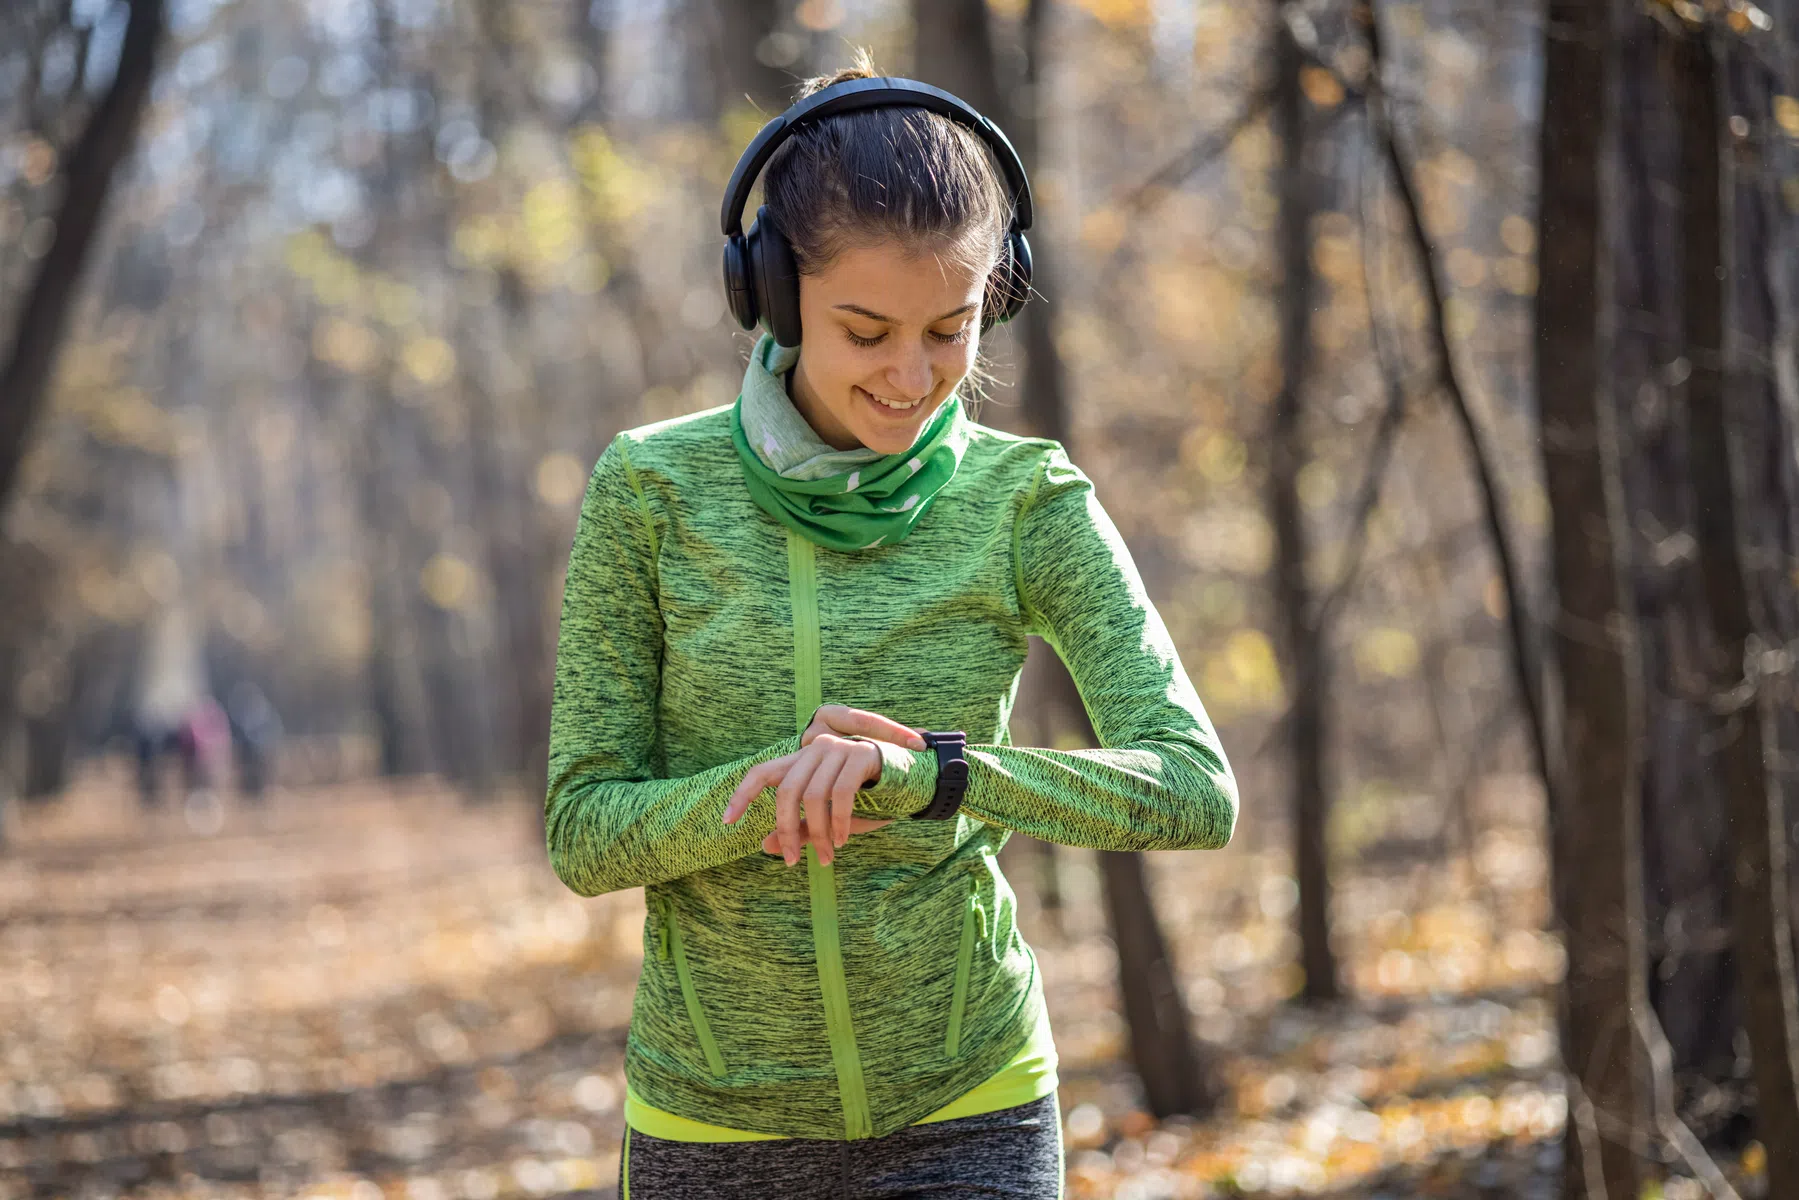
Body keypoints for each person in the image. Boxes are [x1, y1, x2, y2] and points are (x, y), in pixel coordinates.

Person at [545, 55, 1238, 1200]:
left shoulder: (1026, 503)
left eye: (950, 329)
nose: (913, 376)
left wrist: (935, 776)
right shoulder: (649, 493)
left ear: (996, 296)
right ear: (770, 292)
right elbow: (584, 829)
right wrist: (768, 791)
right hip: (714, 1128)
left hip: (971, 1106)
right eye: (865, 331)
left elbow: (1192, 790)